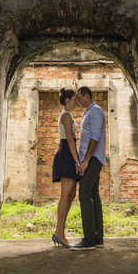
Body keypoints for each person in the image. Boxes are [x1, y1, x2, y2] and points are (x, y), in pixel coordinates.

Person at [70, 86, 105, 251]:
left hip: (93, 159)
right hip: (91, 158)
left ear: (87, 96)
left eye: (79, 97)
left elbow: (95, 136)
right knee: (93, 194)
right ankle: (97, 238)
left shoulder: (96, 112)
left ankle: (89, 239)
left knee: (84, 193)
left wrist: (85, 161)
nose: (77, 100)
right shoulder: (89, 112)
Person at [51, 88, 81, 248]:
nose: (77, 102)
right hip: (67, 154)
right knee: (65, 196)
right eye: (75, 99)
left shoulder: (67, 115)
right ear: (68, 99)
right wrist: (77, 161)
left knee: (71, 194)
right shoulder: (66, 116)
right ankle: (59, 233)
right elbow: (70, 139)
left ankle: (60, 232)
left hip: (68, 153)